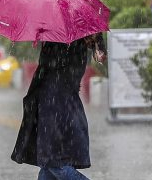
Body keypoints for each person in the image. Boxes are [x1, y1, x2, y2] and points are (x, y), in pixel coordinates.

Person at [11, 33, 106, 180]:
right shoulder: (80, 34)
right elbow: (98, 55)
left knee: (53, 161)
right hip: (65, 101)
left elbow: (50, 65)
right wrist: (97, 45)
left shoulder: (57, 35)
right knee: (49, 165)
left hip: (53, 101)